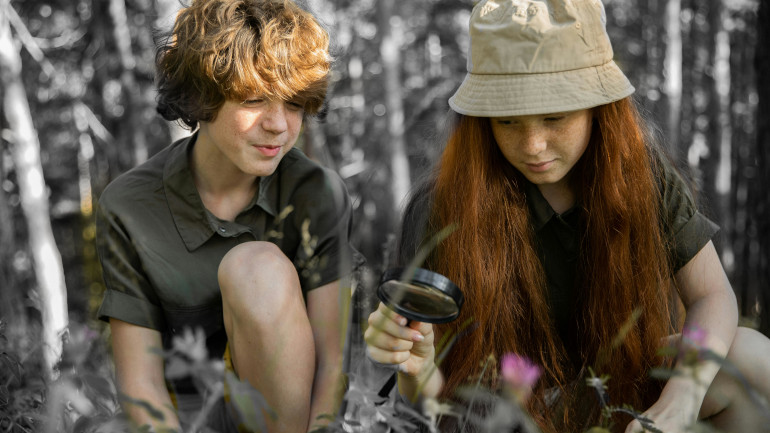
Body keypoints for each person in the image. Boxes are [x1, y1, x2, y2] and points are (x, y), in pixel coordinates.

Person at [364, 0, 770, 432]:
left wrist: (683, 396)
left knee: (752, 358)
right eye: (507, 122)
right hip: (495, 416)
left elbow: (712, 296)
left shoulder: (642, 177)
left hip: (614, 399)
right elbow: (421, 406)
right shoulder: (440, 207)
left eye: (555, 117)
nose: (534, 145)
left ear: (600, 108)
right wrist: (413, 366)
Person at [95, 1, 362, 431]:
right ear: (202, 98)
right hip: (186, 423)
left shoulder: (318, 194)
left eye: (294, 103)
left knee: (257, 267)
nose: (278, 125)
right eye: (254, 100)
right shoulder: (129, 205)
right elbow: (140, 388)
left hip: (290, 423)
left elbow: (333, 369)